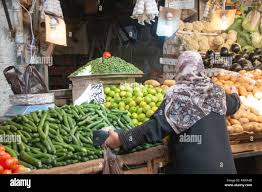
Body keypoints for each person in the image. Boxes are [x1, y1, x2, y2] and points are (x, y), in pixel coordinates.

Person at [105, 51, 240, 174]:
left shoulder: (179, 95)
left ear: (179, 69)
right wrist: (235, 94)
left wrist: (121, 139)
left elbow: (154, 128)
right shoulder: (217, 92)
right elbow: (234, 104)